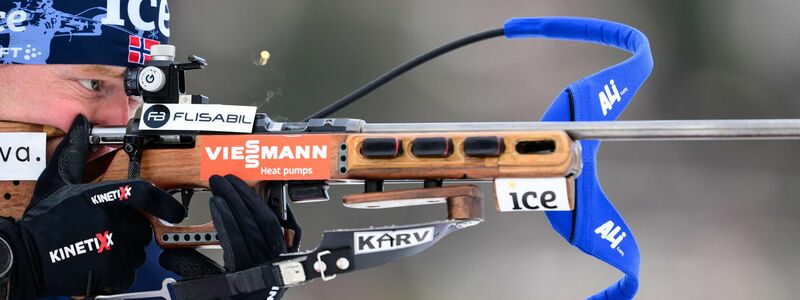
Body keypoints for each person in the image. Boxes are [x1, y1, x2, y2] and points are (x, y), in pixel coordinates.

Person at [0, 1, 300, 299]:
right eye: (92, 83)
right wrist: (19, 263)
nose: (121, 120)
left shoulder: (130, 257)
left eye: (137, 94)